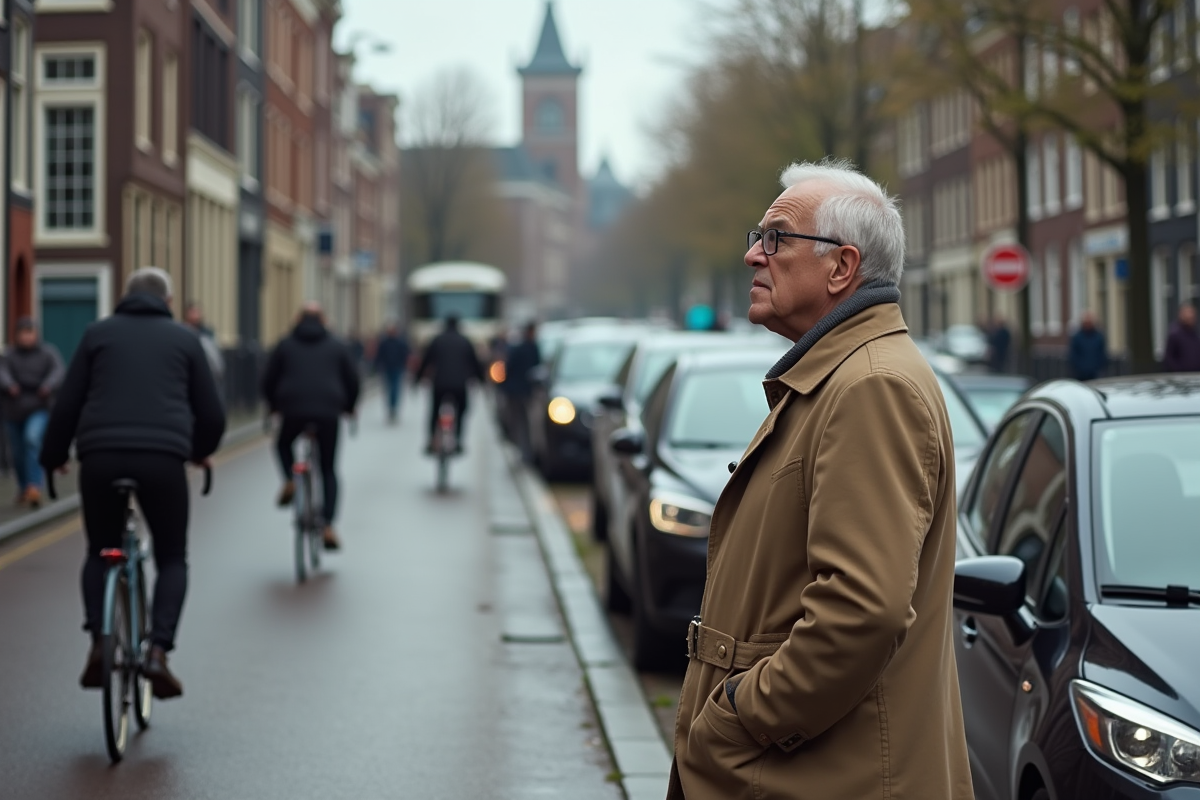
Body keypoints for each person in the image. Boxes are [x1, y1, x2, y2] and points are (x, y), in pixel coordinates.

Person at [668, 160, 972, 800]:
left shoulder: (871, 386)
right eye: (758, 236)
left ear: (842, 267)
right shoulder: (841, 375)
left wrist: (738, 716)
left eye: (776, 238)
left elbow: (862, 610)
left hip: (821, 778)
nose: (753, 254)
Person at [39, 267, 226, 700]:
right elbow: (213, 414)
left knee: (99, 551)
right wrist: (199, 449)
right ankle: (158, 651)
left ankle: (100, 642)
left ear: (123, 297)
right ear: (170, 301)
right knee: (173, 556)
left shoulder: (96, 334)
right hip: (163, 459)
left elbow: (68, 403)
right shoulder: (186, 340)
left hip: (100, 456)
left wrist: (52, 458)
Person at [262, 302, 360, 551]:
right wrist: (349, 406)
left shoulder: (284, 345)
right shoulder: (337, 346)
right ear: (324, 320)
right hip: (329, 410)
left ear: (298, 319)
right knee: (328, 469)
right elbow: (352, 379)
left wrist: (273, 405)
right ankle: (328, 525)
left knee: (283, 444)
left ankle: (289, 479)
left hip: (293, 408)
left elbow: (268, 379)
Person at [0, 318, 65, 507]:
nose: (27, 337)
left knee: (32, 439)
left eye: (31, 333)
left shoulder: (48, 353)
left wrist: (48, 385)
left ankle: (35, 486)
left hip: (38, 408)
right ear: (17, 335)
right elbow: (2, 372)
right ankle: (23, 487)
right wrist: (9, 385)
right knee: (17, 453)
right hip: (13, 410)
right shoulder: (9, 355)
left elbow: (58, 371)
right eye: (24, 333)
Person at [415, 315, 482, 454]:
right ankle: (458, 440)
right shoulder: (465, 341)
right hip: (459, 384)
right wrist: (481, 380)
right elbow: (475, 363)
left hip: (439, 384)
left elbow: (426, 361)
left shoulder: (437, 340)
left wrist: (418, 378)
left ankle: (432, 440)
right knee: (462, 410)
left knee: (434, 411)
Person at [502, 322, 541, 464]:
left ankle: (522, 450)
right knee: (521, 422)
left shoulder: (520, 348)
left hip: (517, 390)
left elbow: (508, 367)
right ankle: (523, 451)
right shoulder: (531, 348)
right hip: (522, 391)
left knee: (519, 422)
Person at [373, 323, 411, 423]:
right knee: (390, 389)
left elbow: (406, 354)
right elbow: (379, 355)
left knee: (394, 388)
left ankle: (393, 408)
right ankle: (391, 407)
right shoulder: (385, 342)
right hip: (388, 368)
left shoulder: (399, 342)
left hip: (397, 368)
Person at [183, 302, 226, 391]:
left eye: (196, 312)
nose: (195, 315)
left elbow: (215, 359)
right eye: (192, 312)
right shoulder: (182, 331)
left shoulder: (207, 334)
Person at [1069, 310, 1108, 381]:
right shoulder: (1077, 337)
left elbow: (1102, 354)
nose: (1088, 324)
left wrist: (1099, 367)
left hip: (1095, 374)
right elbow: (1073, 355)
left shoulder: (1099, 337)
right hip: (1080, 374)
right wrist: (1078, 368)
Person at [1163, 301, 1200, 372]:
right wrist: (1179, 371)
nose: (1191, 316)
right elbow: (1169, 358)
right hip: (1181, 377)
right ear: (1181, 314)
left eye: (1193, 314)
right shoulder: (1175, 334)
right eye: (1188, 313)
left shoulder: (1195, 334)